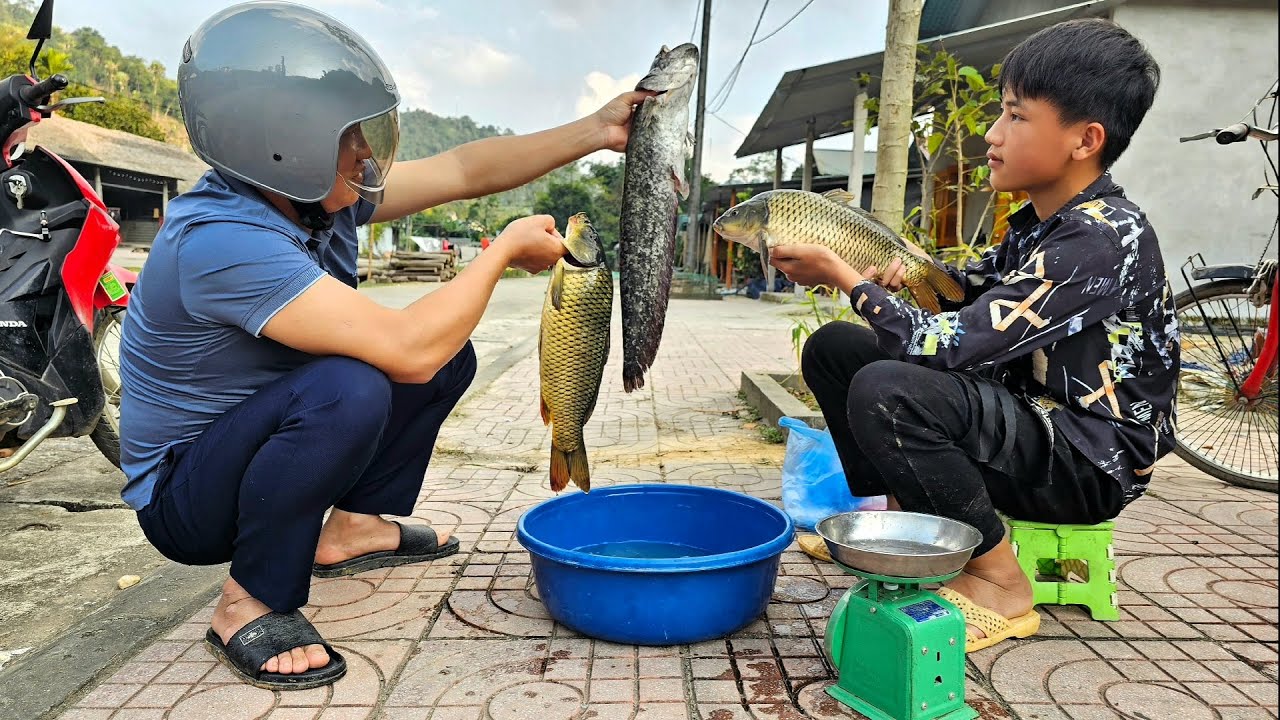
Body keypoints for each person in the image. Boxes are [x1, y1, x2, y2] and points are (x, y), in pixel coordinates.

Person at [116, 2, 650, 690]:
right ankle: (248, 598)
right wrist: (501, 252)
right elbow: (405, 348)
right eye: (351, 138)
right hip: (189, 499)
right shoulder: (222, 239)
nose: (367, 153)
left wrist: (597, 130)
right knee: (362, 381)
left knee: (445, 354)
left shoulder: (312, 196)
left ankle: (350, 531)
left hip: (259, 449)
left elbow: (463, 169)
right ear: (285, 141)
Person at [770, 18, 1176, 652]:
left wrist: (848, 278)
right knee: (835, 351)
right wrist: (899, 271)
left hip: (1089, 460)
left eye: (1015, 116)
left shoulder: (1101, 236)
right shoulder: (1041, 224)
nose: (992, 135)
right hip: (1033, 424)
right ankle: (897, 523)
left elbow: (948, 344)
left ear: (1084, 139)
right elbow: (969, 296)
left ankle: (1000, 584)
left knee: (888, 387)